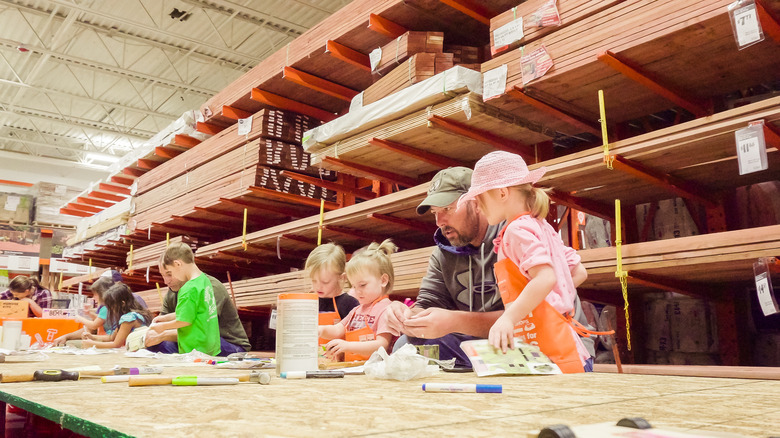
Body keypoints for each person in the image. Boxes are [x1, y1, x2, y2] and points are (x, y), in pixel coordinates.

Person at [384, 167, 595, 368]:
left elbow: (530, 314)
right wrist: (406, 316)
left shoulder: (516, 233)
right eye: (434, 212)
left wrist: (454, 321)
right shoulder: (442, 254)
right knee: (408, 344)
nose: (440, 221)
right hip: (489, 346)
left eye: (447, 209)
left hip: (542, 343)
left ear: (475, 202)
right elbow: (428, 304)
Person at [457, 151, 594, 373]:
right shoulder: (541, 226)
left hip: (553, 353)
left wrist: (509, 318)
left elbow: (546, 277)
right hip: (569, 347)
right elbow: (579, 271)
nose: (478, 208)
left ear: (502, 193)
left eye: (480, 199)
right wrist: (550, 300)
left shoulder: (516, 231)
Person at [146, 255, 251, 356]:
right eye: (163, 275)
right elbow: (165, 323)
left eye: (169, 274)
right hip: (198, 340)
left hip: (228, 344)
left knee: (163, 341)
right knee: (155, 345)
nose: (166, 281)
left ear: (179, 266)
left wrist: (162, 335)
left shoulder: (209, 287)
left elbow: (200, 333)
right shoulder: (174, 290)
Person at [318, 239, 397, 361]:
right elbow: (338, 329)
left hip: (375, 371)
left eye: (362, 285)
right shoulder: (356, 310)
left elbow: (382, 344)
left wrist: (348, 346)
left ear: (383, 280)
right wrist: (320, 330)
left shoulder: (387, 310)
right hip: (354, 369)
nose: (357, 291)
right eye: (354, 286)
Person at [147, 242, 221, 356]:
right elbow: (191, 312)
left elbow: (184, 320)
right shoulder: (204, 280)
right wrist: (164, 318)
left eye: (169, 273)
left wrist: (160, 327)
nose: (167, 281)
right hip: (210, 345)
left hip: (195, 348)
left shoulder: (188, 288)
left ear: (177, 264)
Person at [305, 243, 359, 343]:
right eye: (314, 280)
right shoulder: (311, 302)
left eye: (325, 282)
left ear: (341, 277)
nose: (318, 286)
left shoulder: (350, 304)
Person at [82, 283, 152, 349]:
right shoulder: (135, 314)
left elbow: (116, 344)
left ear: (122, 304)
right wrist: (92, 337)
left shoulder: (129, 319)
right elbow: (112, 337)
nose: (111, 310)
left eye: (111, 306)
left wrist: (92, 344)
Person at [53, 277, 114, 346]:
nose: (93, 297)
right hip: (104, 338)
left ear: (102, 294)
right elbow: (100, 320)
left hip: (105, 339)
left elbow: (94, 325)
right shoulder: (108, 307)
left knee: (70, 344)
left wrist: (80, 318)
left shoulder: (105, 308)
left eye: (95, 294)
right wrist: (89, 314)